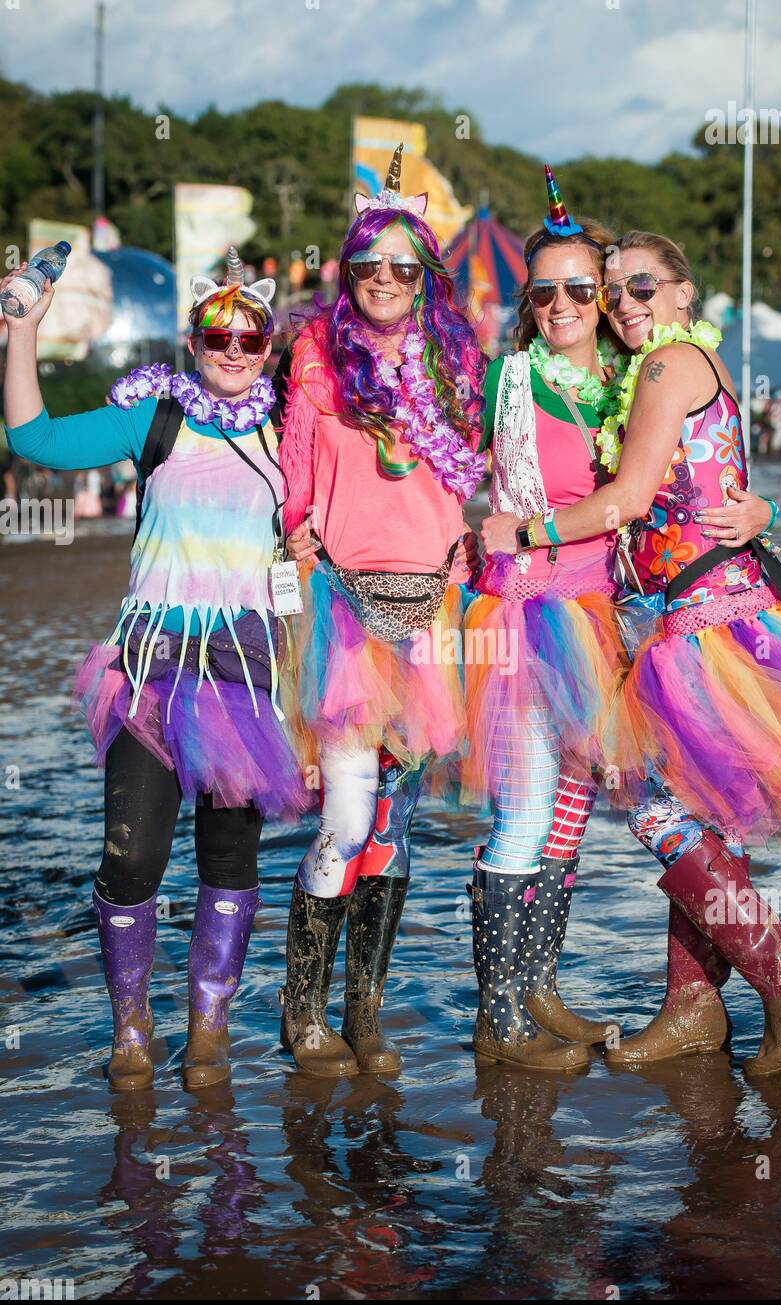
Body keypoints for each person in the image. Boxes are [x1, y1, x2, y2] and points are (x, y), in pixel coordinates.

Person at [484, 230, 781, 1077]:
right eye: (614, 291)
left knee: (649, 803)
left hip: (697, 620)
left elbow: (628, 498)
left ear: (688, 292)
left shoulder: (663, 368)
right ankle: (694, 1007)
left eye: (641, 285)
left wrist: (524, 529)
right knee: (706, 809)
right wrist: (761, 509)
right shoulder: (689, 366)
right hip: (713, 606)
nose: (624, 303)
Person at [464, 182, 777, 1073]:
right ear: (527, 305)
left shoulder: (633, 379)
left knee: (589, 811)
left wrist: (760, 507)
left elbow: (679, 480)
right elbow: (440, 451)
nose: (565, 306)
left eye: (582, 290)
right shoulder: (510, 379)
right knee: (529, 811)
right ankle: (503, 1018)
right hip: (534, 615)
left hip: (621, 618)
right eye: (545, 293)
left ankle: (541, 990)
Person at [2, 248, 310, 1092]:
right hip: (152, 670)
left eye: (253, 337)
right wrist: (20, 331)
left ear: (272, 345)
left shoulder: (292, 430)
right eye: (219, 333)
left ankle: (208, 1031)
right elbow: (32, 439)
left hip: (243, 669)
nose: (235, 350)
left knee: (229, 859)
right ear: (193, 336)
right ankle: (133, 1028)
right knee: (131, 860)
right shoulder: (157, 422)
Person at [278, 146, 485, 1079]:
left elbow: (474, 475)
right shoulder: (319, 350)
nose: (388, 282)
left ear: (425, 275)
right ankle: (301, 1009)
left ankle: (367, 1013)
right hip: (347, 605)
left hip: (429, 605)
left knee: (395, 825)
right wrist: (296, 530)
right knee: (350, 812)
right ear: (349, 269)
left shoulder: (454, 356)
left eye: (407, 267)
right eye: (371, 267)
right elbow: (292, 463)